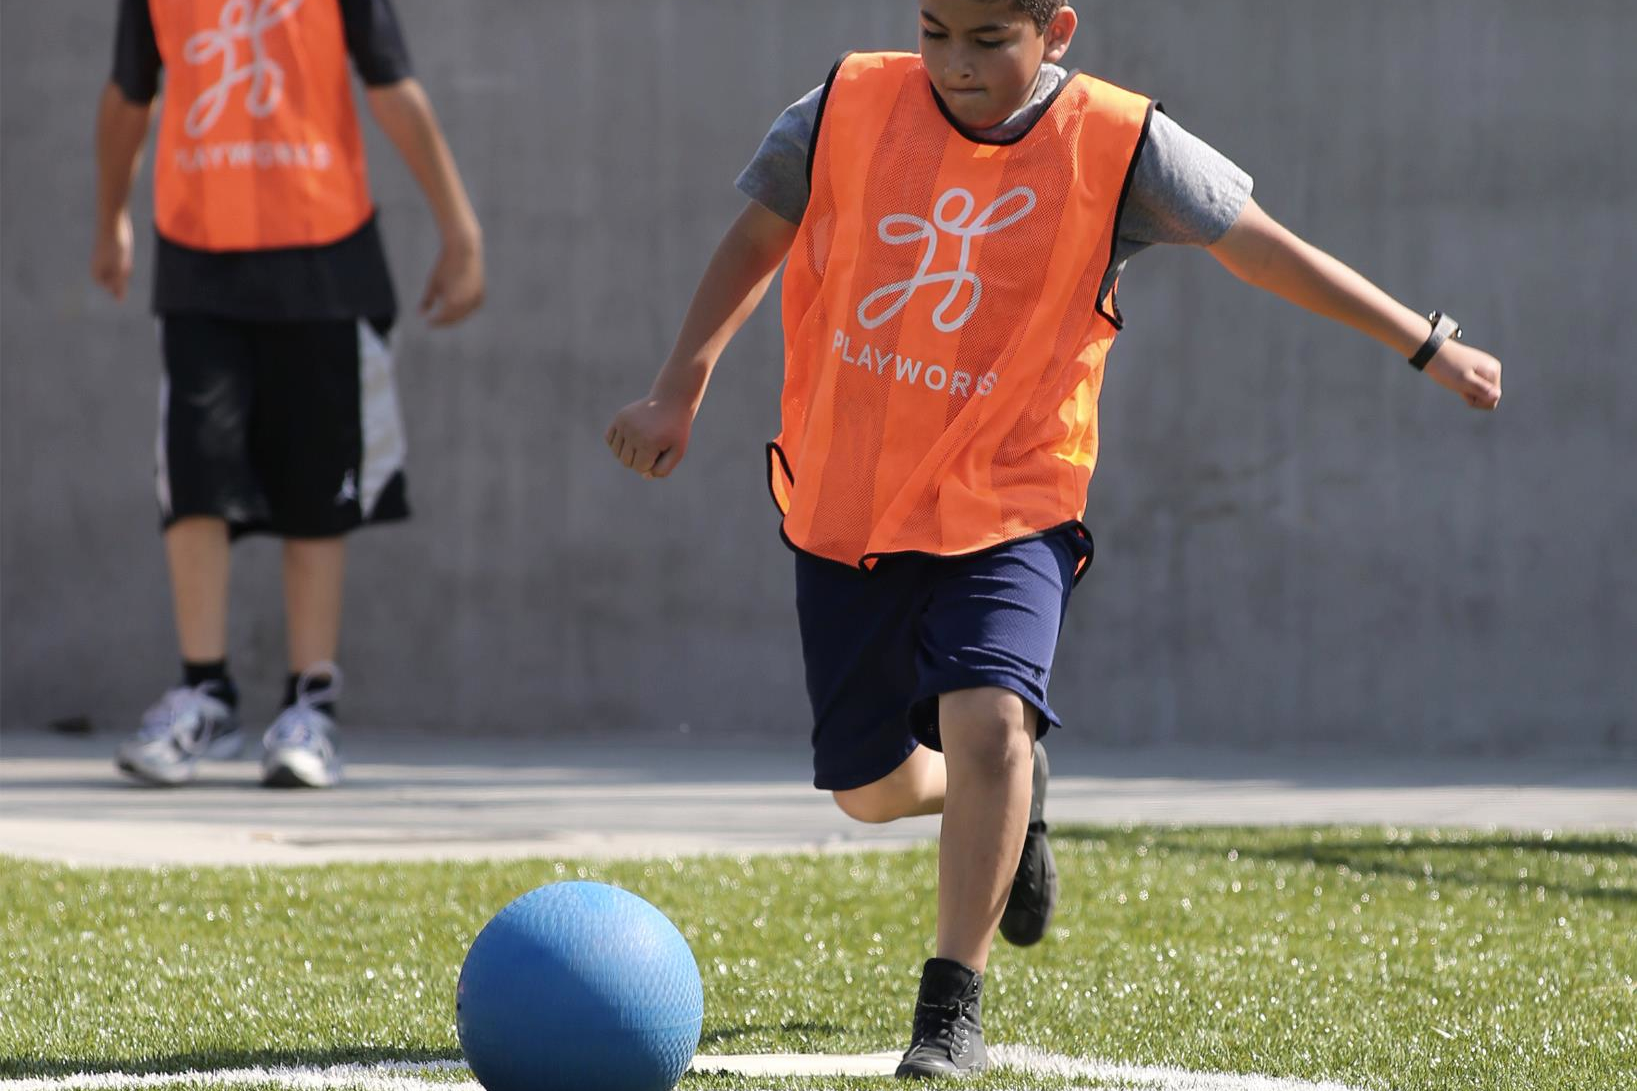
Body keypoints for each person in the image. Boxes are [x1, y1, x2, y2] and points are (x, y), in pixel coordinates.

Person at [606, 0, 1502, 1077]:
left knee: (988, 719)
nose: (954, 63)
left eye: (988, 39)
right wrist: (676, 389)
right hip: (849, 501)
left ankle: (949, 1008)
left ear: (1055, 29)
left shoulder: (1121, 145)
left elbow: (1263, 252)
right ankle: (1011, 797)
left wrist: (1423, 343)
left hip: (1009, 501)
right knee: (869, 788)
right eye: (935, 30)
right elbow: (758, 233)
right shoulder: (844, 104)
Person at [92, 0, 484, 789]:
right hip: (199, 258)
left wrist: (461, 229)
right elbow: (128, 95)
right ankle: (205, 691)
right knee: (194, 478)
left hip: (326, 259)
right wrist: (109, 221)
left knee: (316, 494)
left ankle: (311, 705)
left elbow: (392, 87)